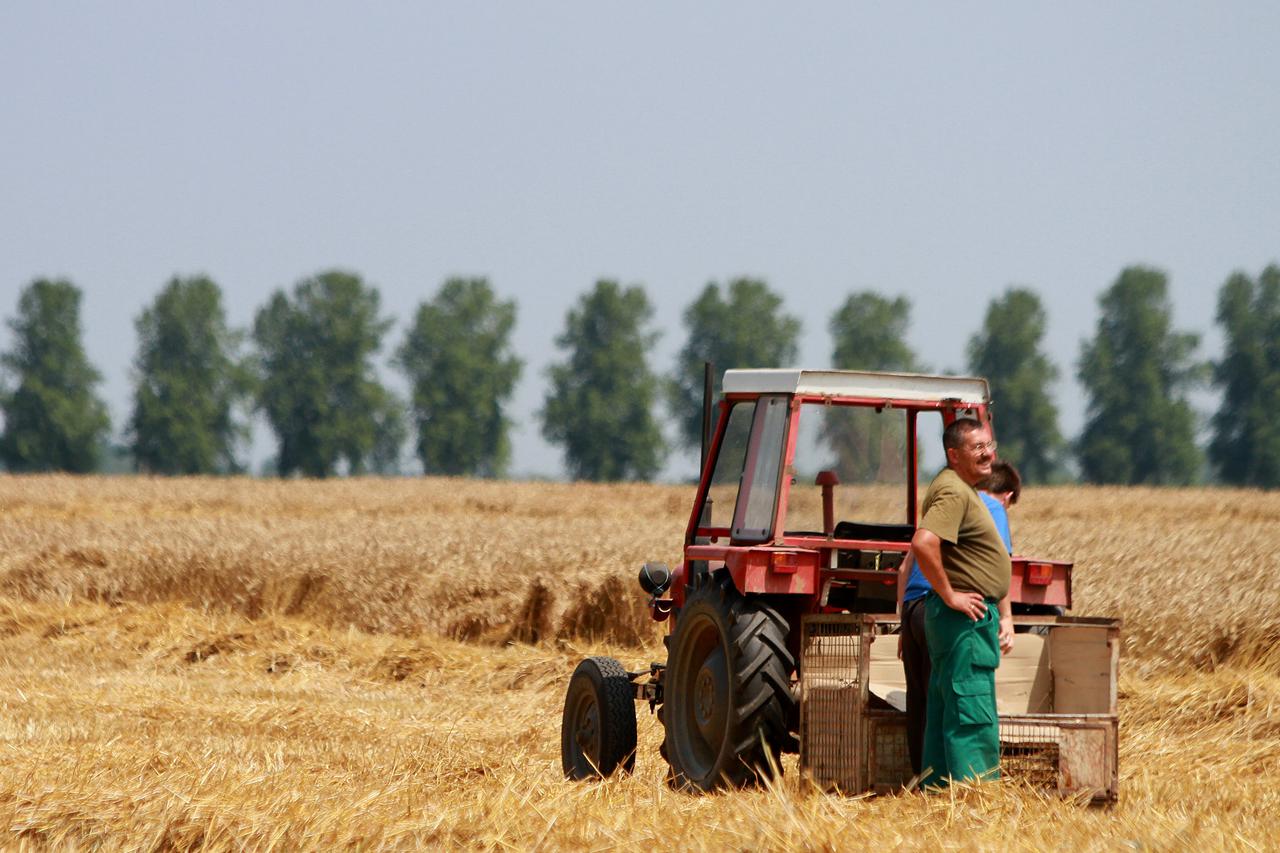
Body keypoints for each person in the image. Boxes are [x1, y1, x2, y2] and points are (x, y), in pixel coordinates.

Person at [897, 456, 1021, 778]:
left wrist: (902, 626)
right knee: (969, 702)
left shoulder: (943, 502)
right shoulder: (986, 508)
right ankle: (972, 787)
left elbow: (903, 568)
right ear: (1007, 496)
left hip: (917, 611)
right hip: (959, 612)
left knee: (931, 706)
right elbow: (995, 566)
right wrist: (1006, 618)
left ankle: (928, 781)